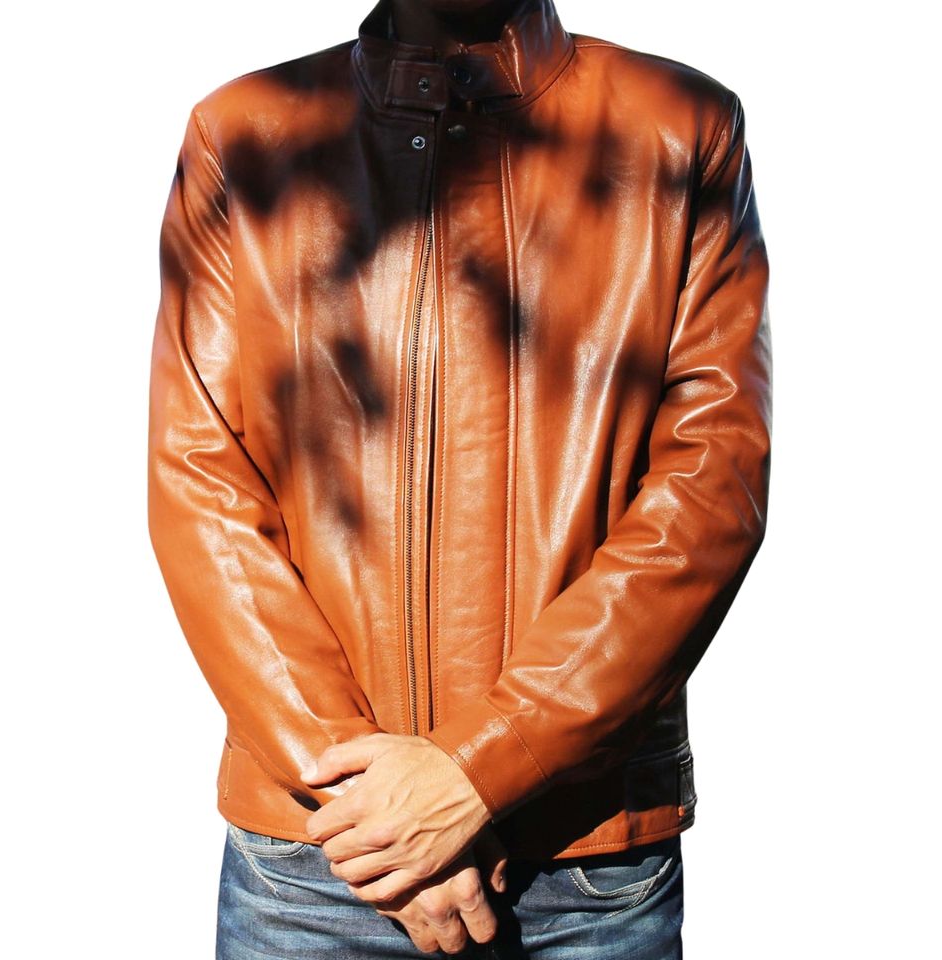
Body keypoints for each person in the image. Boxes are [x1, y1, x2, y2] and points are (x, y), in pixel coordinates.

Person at [146, 0, 772, 956]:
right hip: (320, 859)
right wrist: (372, 807)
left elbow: (711, 487)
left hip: (582, 863)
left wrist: (479, 768)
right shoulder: (242, 135)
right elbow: (201, 484)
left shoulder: (681, 126)